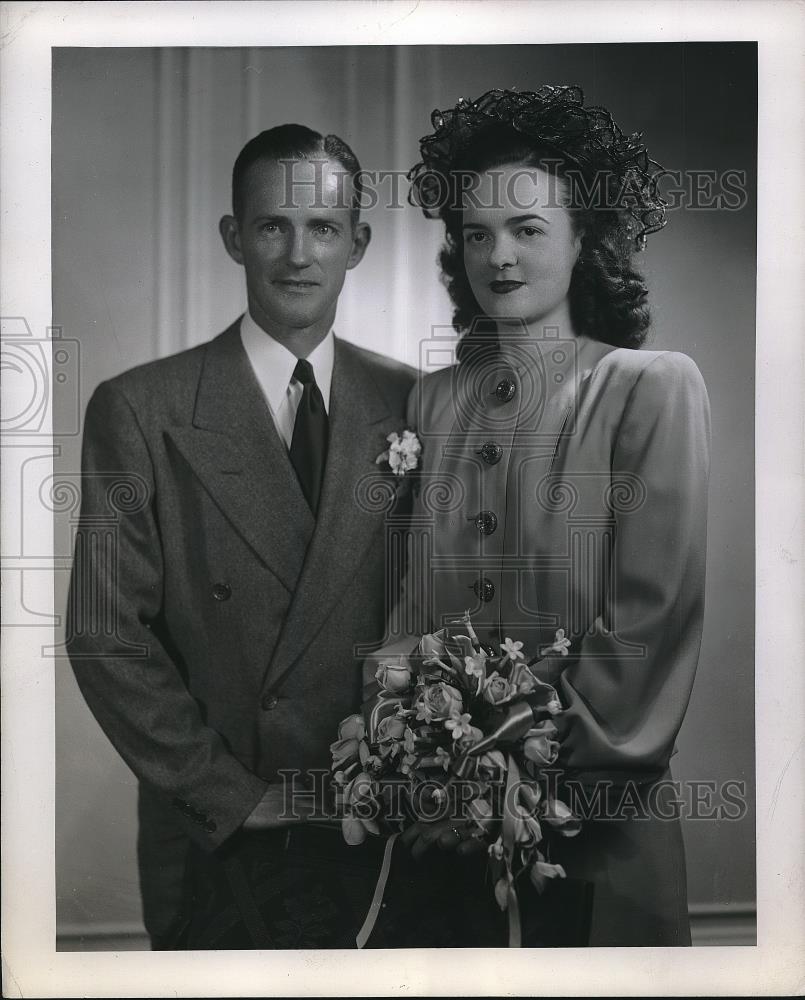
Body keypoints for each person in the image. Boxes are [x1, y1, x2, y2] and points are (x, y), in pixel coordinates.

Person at [366, 86, 711, 946]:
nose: (499, 257)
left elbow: (647, 630)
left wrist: (500, 781)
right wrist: (413, 765)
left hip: (587, 829)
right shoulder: (433, 401)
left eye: (527, 230)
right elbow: (409, 611)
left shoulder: (649, 388)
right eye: (475, 233)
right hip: (434, 838)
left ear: (585, 238)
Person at [66, 123, 416, 949]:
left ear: (356, 243)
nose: (298, 254)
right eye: (272, 226)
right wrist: (229, 792)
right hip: (223, 836)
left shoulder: (413, 402)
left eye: (323, 228)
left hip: (381, 828)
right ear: (234, 237)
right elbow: (105, 634)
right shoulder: (141, 408)